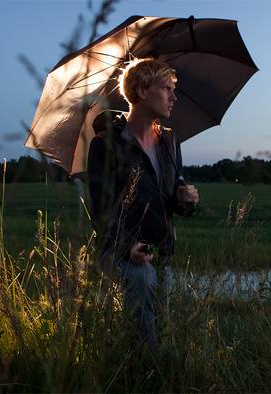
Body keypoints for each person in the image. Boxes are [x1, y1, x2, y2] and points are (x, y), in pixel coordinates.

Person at [86, 58, 200, 351]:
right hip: (121, 251)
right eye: (166, 89)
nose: (174, 97)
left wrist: (186, 200)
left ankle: (143, 364)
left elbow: (172, 198)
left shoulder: (170, 141)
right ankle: (143, 368)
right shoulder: (106, 144)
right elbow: (100, 211)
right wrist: (127, 247)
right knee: (142, 305)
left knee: (159, 324)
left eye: (174, 89)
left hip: (161, 249)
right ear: (142, 91)